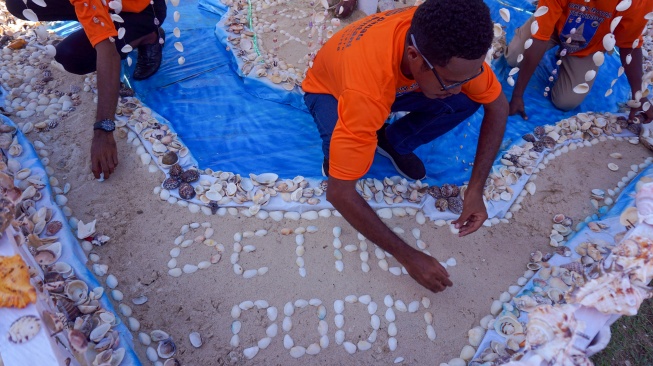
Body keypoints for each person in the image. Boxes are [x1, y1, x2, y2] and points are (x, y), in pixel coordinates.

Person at [302, 0, 509, 293]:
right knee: (342, 162)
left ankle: (393, 140)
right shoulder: (366, 88)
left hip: (391, 86)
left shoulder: (442, 35)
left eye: (470, 76)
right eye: (450, 81)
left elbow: (498, 106)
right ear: (414, 56)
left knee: (468, 99)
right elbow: (339, 193)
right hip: (329, 89)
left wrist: (476, 190)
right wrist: (408, 255)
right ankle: (340, 144)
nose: (458, 88)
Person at [6, 0, 167, 179]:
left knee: (72, 57)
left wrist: (103, 130)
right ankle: (99, 19)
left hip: (145, 10)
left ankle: (148, 35)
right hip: (110, 4)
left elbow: (108, 51)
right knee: (18, 3)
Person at [506, 0, 653, 123]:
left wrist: (639, 95)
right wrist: (518, 95)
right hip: (554, 26)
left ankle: (566, 57)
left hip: (589, 45)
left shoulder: (639, 2)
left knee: (566, 102)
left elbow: (629, 45)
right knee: (513, 58)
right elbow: (539, 40)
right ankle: (539, 18)